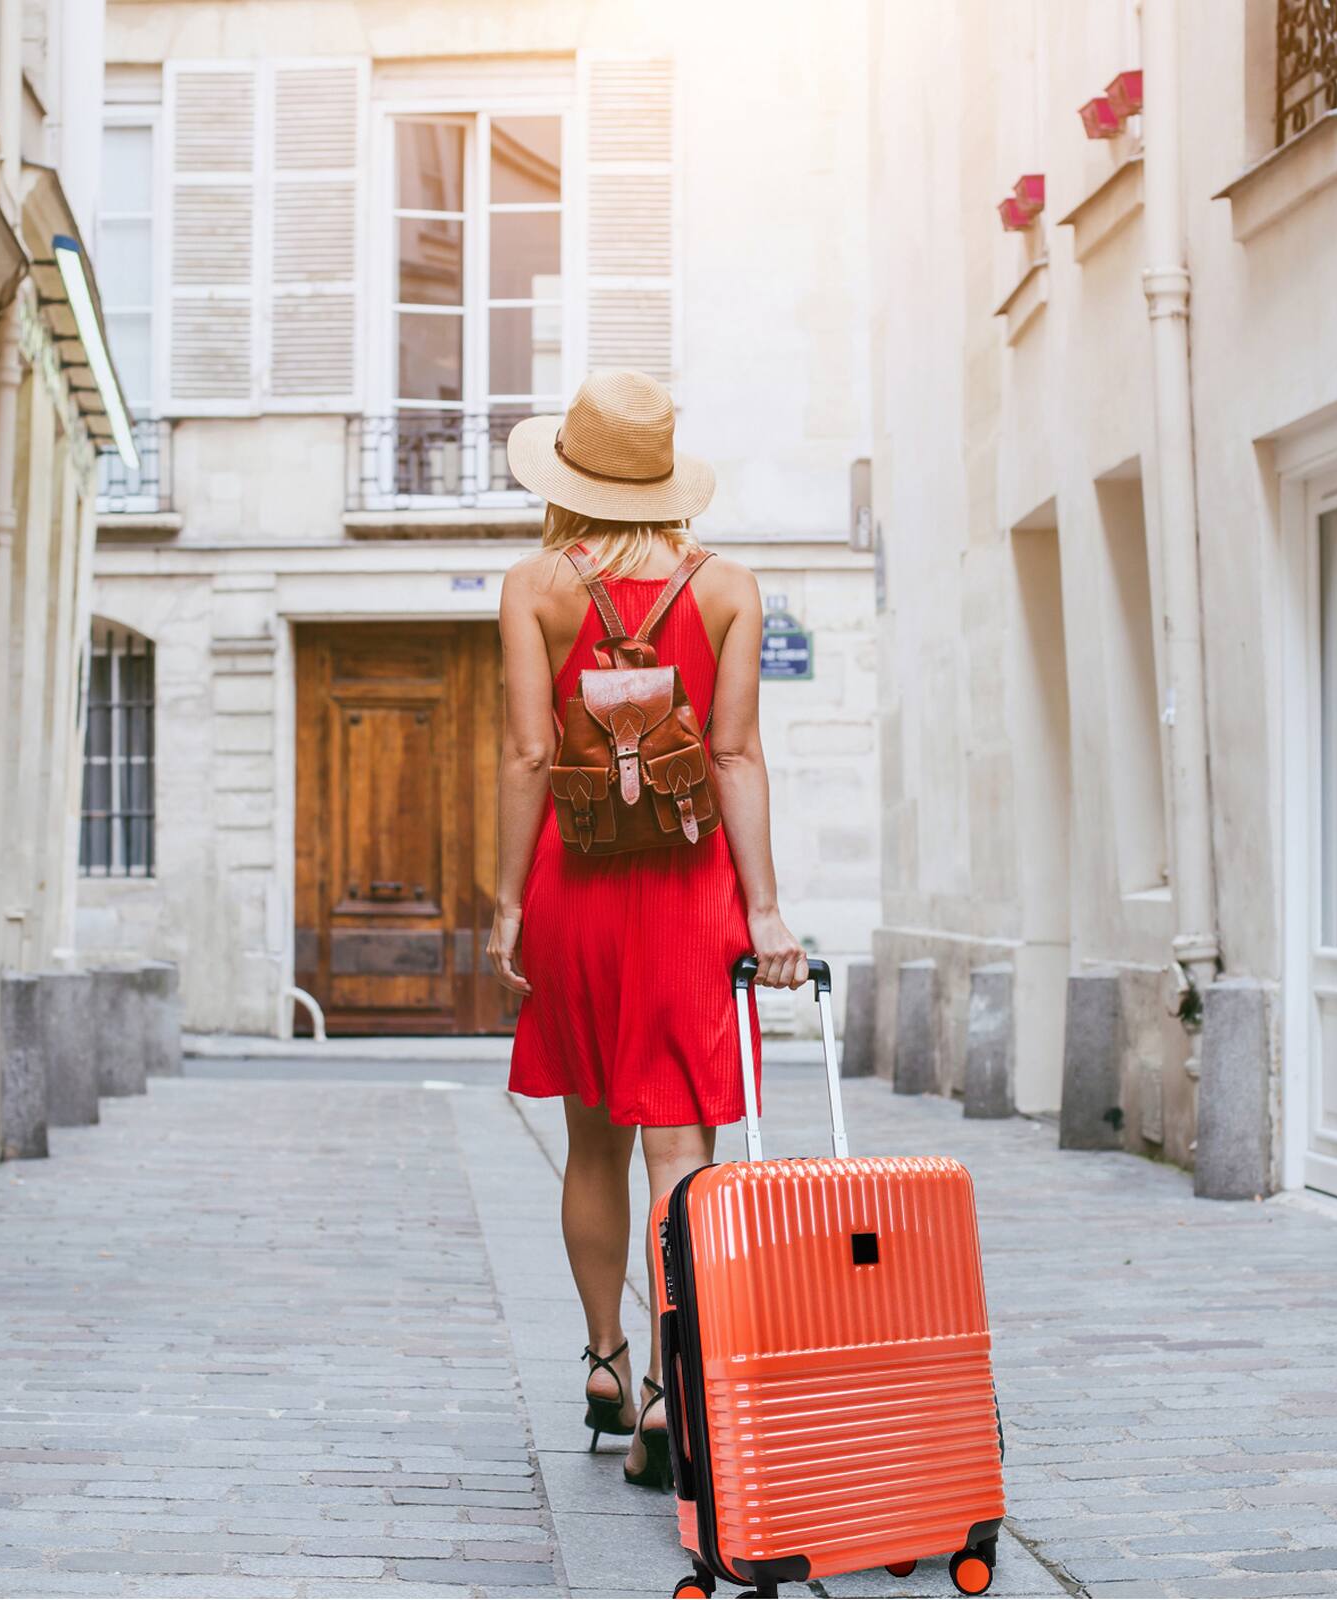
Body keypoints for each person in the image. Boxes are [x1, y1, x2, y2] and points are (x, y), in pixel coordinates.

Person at [487, 369, 809, 1490]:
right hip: (688, 895)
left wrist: (508, 907)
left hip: (576, 888)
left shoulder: (533, 584)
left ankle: (606, 1363)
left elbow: (529, 754)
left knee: (591, 1143)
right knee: (684, 1150)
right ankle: (677, 1385)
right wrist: (764, 909)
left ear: (569, 477)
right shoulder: (728, 584)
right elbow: (733, 755)